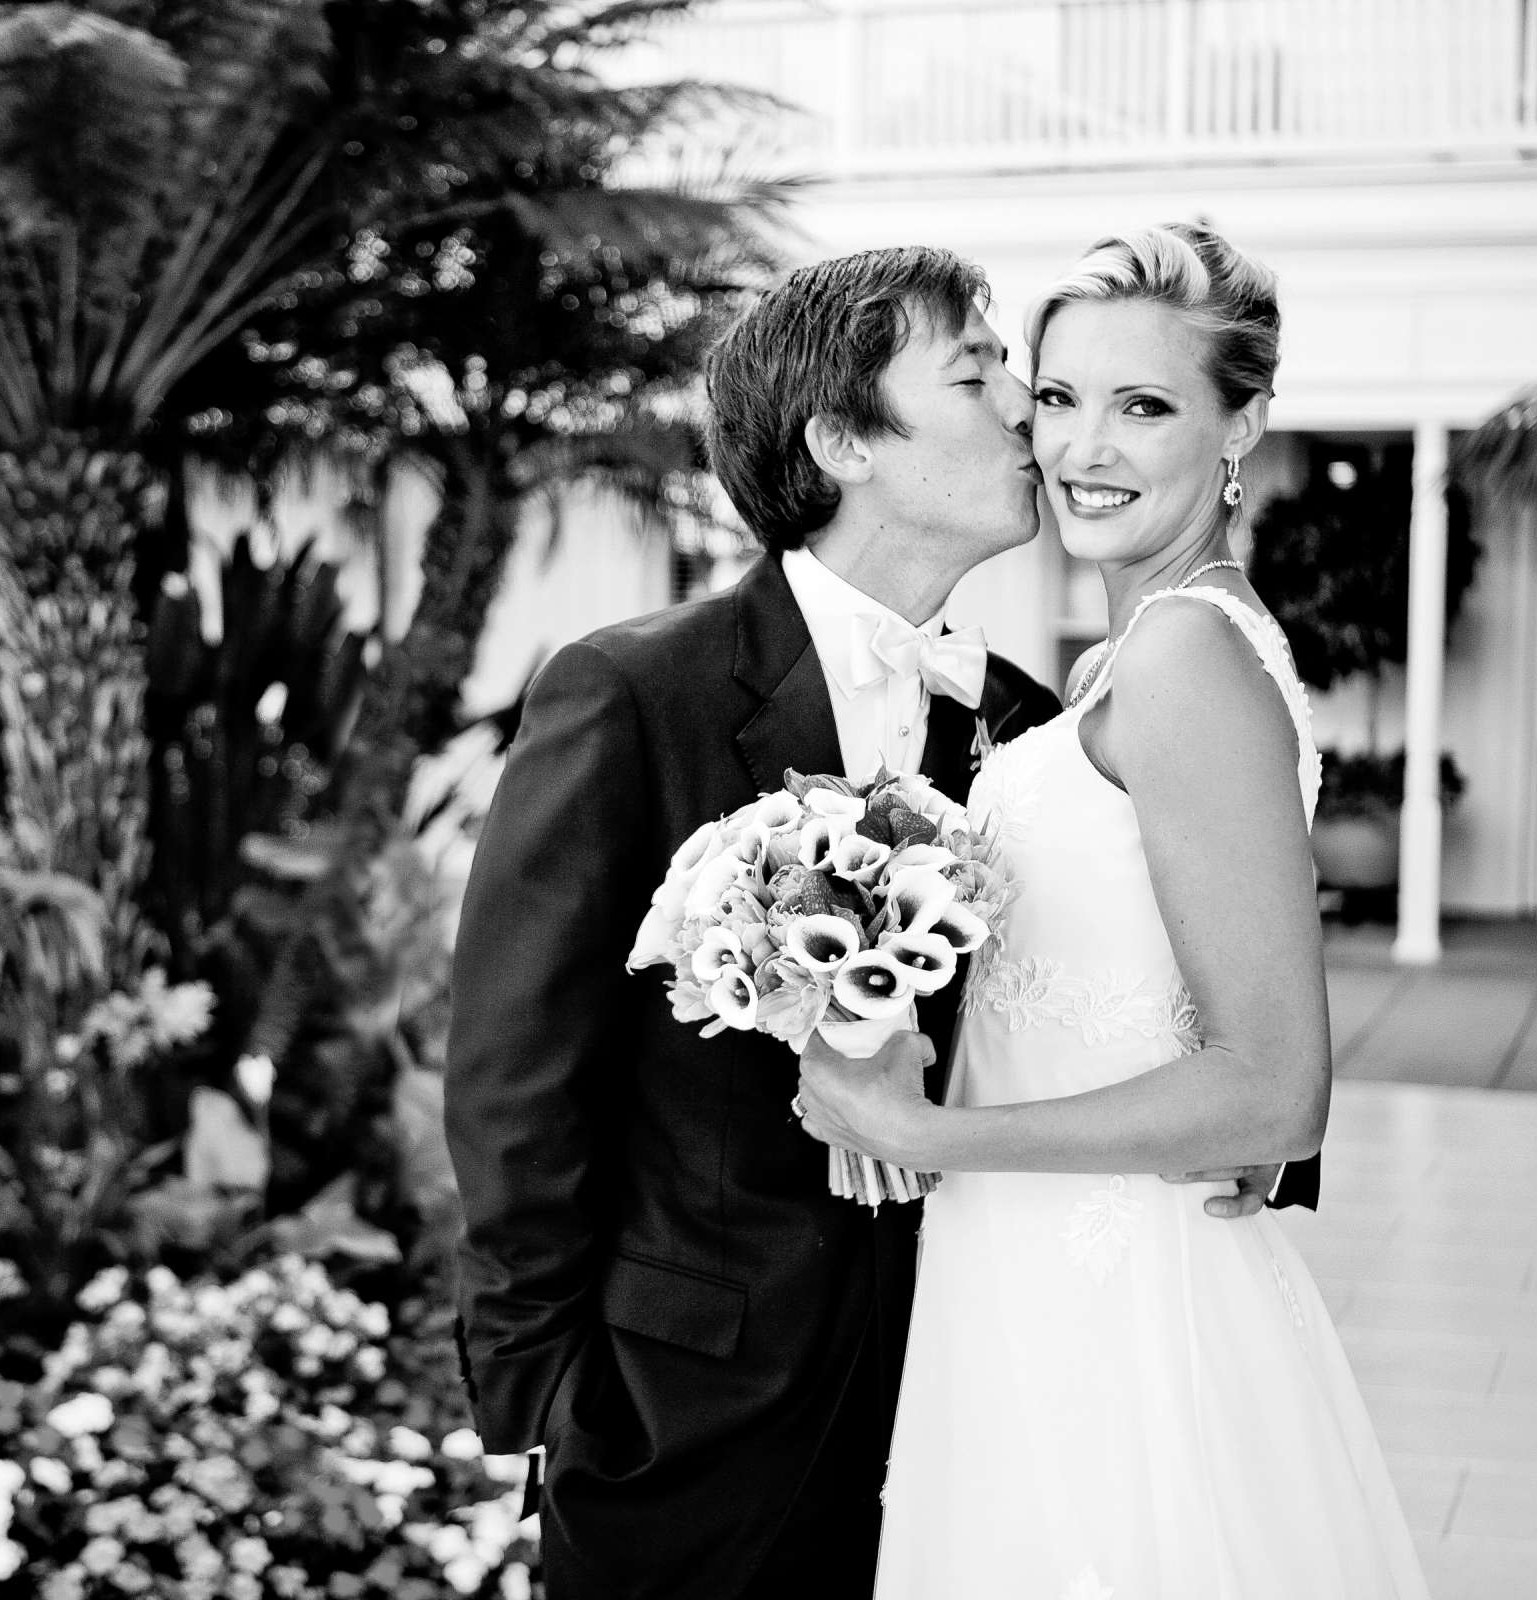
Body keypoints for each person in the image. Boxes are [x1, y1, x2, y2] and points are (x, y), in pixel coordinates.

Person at [444, 244, 1321, 1600]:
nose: (1035, 420)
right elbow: (517, 1074)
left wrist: (1247, 1146)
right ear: (847, 439)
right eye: (985, 380)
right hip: (688, 1410)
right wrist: (546, 1399)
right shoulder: (631, 693)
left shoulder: (1028, 719)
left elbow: (1182, 952)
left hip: (980, 1374)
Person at [795, 223, 1427, 1599]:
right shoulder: (1133, 652)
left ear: (1240, 425)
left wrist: (923, 1128)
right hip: (1028, 1263)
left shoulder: (1189, 656)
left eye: (1145, 406)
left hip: (1112, 1294)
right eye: (1061, 396)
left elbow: (1275, 1094)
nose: (1085, 445)